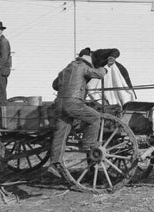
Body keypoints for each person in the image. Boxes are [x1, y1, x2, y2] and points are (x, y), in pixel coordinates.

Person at [47, 47, 116, 177]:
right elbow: (99, 74)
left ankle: (54, 164)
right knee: (95, 117)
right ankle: (88, 144)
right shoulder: (83, 67)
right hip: (73, 103)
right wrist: (107, 66)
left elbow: (55, 85)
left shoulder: (65, 69)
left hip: (59, 103)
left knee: (61, 133)